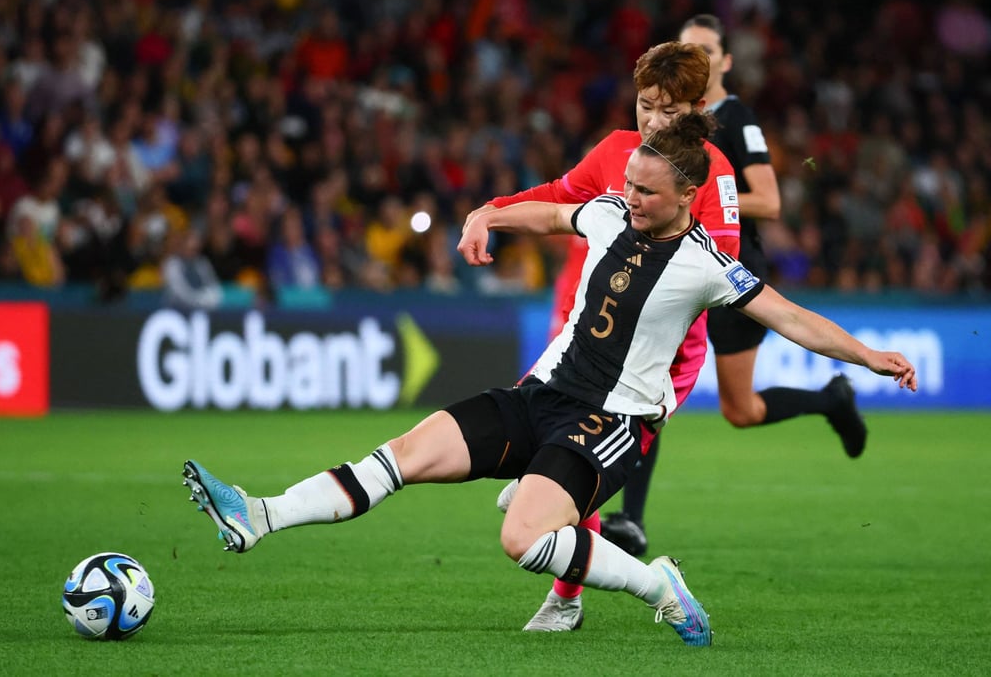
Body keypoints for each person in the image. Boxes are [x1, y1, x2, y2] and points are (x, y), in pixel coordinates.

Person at [182, 115, 917, 646]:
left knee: (521, 536)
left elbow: (790, 317)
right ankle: (259, 515)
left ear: (689, 194)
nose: (630, 197)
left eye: (648, 193)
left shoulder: (706, 266)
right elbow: (551, 213)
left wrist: (870, 356)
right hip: (539, 397)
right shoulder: (607, 213)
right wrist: (487, 215)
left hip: (612, 423)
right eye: (629, 184)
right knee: (404, 454)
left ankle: (656, 583)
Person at [468, 41, 741, 631]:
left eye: (670, 112)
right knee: (556, 446)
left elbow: (717, 274)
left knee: (577, 464)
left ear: (696, 108)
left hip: (660, 356)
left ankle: (565, 595)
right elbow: (560, 199)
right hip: (585, 338)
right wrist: (491, 211)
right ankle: (564, 590)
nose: (654, 121)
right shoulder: (616, 150)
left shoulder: (712, 173)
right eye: (646, 106)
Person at [592, 13, 869, 560]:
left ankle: (830, 399)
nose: (699, 56)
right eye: (688, 47)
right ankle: (632, 520)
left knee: (739, 410)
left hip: (728, 265)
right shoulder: (661, 122)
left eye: (708, 50)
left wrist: (705, 197)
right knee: (649, 377)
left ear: (724, 61)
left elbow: (769, 200)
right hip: (675, 266)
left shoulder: (734, 118)